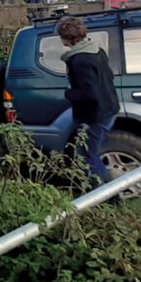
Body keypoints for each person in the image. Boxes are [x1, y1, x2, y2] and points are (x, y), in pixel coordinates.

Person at [56, 16, 120, 185]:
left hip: (95, 115)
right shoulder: (96, 50)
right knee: (91, 151)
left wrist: (69, 93)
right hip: (109, 108)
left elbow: (89, 94)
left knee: (87, 156)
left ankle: (104, 195)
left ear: (65, 38)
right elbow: (109, 76)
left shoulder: (80, 60)